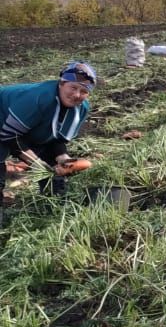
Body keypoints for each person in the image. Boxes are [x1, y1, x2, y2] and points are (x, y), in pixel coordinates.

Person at [1, 61, 97, 222]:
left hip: (22, 127)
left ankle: (54, 209)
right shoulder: (38, 98)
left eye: (83, 91)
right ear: (61, 83)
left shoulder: (81, 109)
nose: (77, 95)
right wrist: (35, 161)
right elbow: (9, 135)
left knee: (52, 166)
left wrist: (64, 159)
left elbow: (54, 139)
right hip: (3, 118)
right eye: (73, 87)